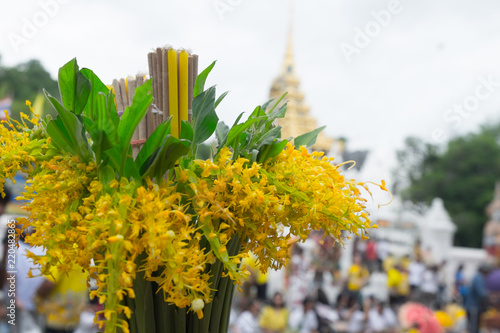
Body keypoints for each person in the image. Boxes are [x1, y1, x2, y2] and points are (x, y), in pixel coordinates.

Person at [36, 264, 89, 333]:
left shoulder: (61, 254)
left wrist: (37, 295)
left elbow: (48, 284)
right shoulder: (84, 255)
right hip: (74, 317)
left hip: (55, 318)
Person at [465, 263, 491, 333]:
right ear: (484, 271)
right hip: (473, 307)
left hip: (473, 306)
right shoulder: (479, 278)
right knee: (474, 328)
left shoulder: (477, 277)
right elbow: (482, 293)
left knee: (474, 327)